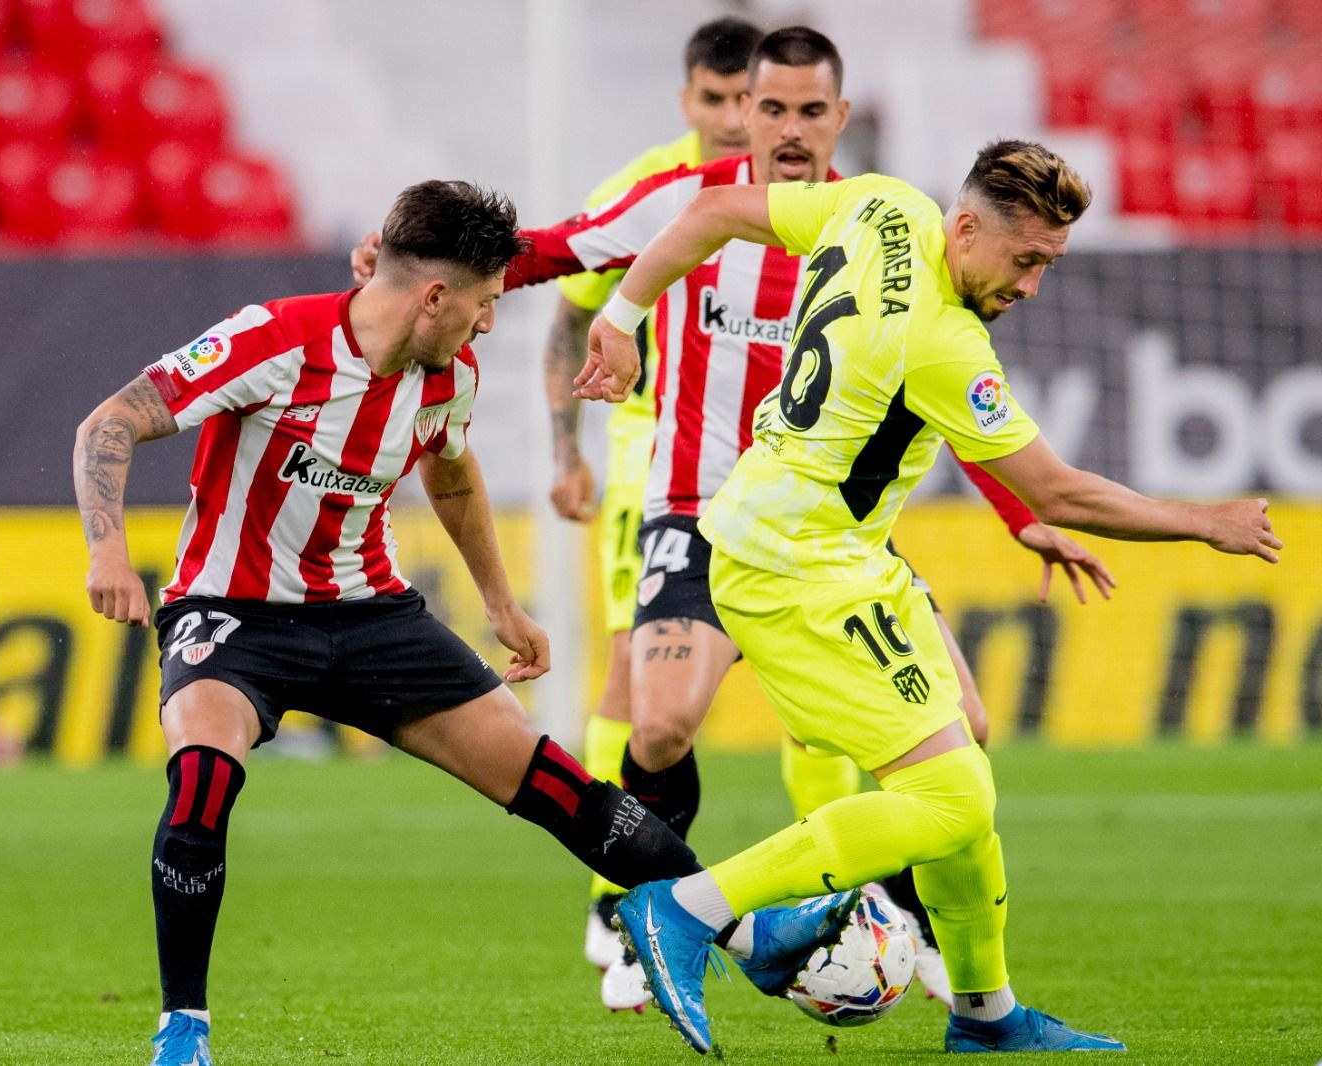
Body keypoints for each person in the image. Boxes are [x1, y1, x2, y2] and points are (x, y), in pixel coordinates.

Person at [442, 25, 1115, 1009]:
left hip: (832, 541)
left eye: (810, 111)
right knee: (662, 722)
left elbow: (945, 395)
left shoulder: (878, 227)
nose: (787, 130)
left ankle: (909, 935)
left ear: (839, 118)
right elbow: (555, 254)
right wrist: (417, 262)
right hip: (695, 508)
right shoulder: (688, 204)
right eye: (767, 108)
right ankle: (647, 914)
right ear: (735, 112)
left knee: (943, 733)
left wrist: (1020, 512)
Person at [578, 139, 1281, 1054]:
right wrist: (1203, 522)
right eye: (1026, 259)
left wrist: (625, 313)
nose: (1031, 287)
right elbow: (1059, 491)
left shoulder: (877, 204)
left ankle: (986, 1017)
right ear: (967, 227)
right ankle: (687, 907)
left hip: (830, 546)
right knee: (949, 797)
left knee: (964, 781)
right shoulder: (944, 342)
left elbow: (713, 213)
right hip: (795, 566)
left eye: (1049, 265)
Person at [73, 180, 754, 1066]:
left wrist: (503, 605)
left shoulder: (446, 375)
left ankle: (748, 935)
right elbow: (112, 423)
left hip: (369, 618)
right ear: (434, 296)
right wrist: (106, 552)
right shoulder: (273, 340)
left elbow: (453, 476)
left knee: (551, 784)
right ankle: (183, 1030)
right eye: (481, 304)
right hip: (234, 615)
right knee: (202, 781)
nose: (487, 325)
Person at [538, 14, 764, 990]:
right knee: (634, 673)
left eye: (740, 101)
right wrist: (566, 450)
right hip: (652, 461)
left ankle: (893, 903)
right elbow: (568, 318)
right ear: (686, 101)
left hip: (775, 477)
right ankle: (617, 897)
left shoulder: (811, 200)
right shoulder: (651, 195)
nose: (725, 119)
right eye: (709, 101)